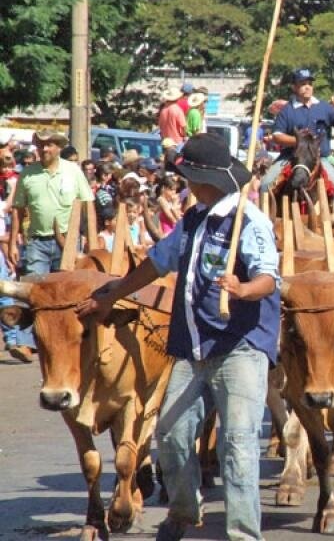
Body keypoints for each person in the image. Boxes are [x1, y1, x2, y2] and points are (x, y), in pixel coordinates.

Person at [76, 132, 280, 541]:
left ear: (204, 177)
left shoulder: (249, 219)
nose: (185, 181)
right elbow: (155, 263)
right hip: (193, 347)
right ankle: (184, 511)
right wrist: (111, 293)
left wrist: (243, 289)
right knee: (170, 433)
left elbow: (268, 279)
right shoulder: (193, 220)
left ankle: (244, 535)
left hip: (239, 347)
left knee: (237, 444)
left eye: (188, 175)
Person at [9, 130, 93, 362]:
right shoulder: (28, 174)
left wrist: (89, 239)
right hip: (37, 240)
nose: (45, 149)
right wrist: (13, 243)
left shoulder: (73, 171)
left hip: (68, 240)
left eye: (49, 145)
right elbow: (18, 210)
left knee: (68, 291)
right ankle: (25, 344)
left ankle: (70, 336)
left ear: (58, 147)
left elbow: (87, 205)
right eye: (41, 145)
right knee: (34, 289)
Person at [260, 68, 334, 198]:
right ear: (294, 87)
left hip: (320, 159)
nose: (307, 87)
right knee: (265, 184)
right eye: (302, 84)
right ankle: (264, 217)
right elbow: (277, 136)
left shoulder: (324, 107)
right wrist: (302, 143)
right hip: (291, 158)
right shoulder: (287, 110)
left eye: (309, 84)